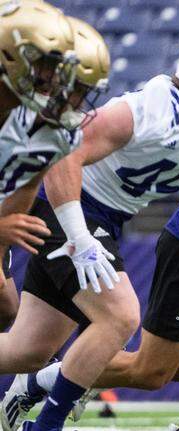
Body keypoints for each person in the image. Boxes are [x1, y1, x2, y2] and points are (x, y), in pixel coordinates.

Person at [1, 27, 179, 431]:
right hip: (68, 205)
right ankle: (47, 425)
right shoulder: (155, 108)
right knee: (120, 317)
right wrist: (78, 234)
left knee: (26, 351)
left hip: (104, 218)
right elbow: (63, 154)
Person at [0, 0, 82, 331]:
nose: (52, 77)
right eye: (45, 64)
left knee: (6, 308)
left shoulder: (31, 117)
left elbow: (30, 181)